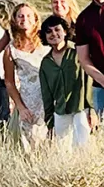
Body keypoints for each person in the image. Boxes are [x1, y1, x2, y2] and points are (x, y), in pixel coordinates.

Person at [0, 2, 50, 150]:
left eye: (28, 16)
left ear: (35, 19)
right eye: (20, 16)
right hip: (27, 100)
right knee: (26, 144)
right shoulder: (11, 49)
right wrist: (20, 106)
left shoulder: (46, 42)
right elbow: (8, 81)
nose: (24, 19)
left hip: (47, 99)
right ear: (14, 20)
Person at [39, 15, 91, 150]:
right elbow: (47, 95)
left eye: (57, 30)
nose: (54, 34)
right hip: (60, 112)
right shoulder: (45, 63)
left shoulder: (77, 55)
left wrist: (91, 109)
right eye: (49, 31)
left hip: (80, 108)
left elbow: (88, 81)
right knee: (61, 151)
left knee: (83, 148)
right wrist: (50, 123)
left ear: (65, 32)